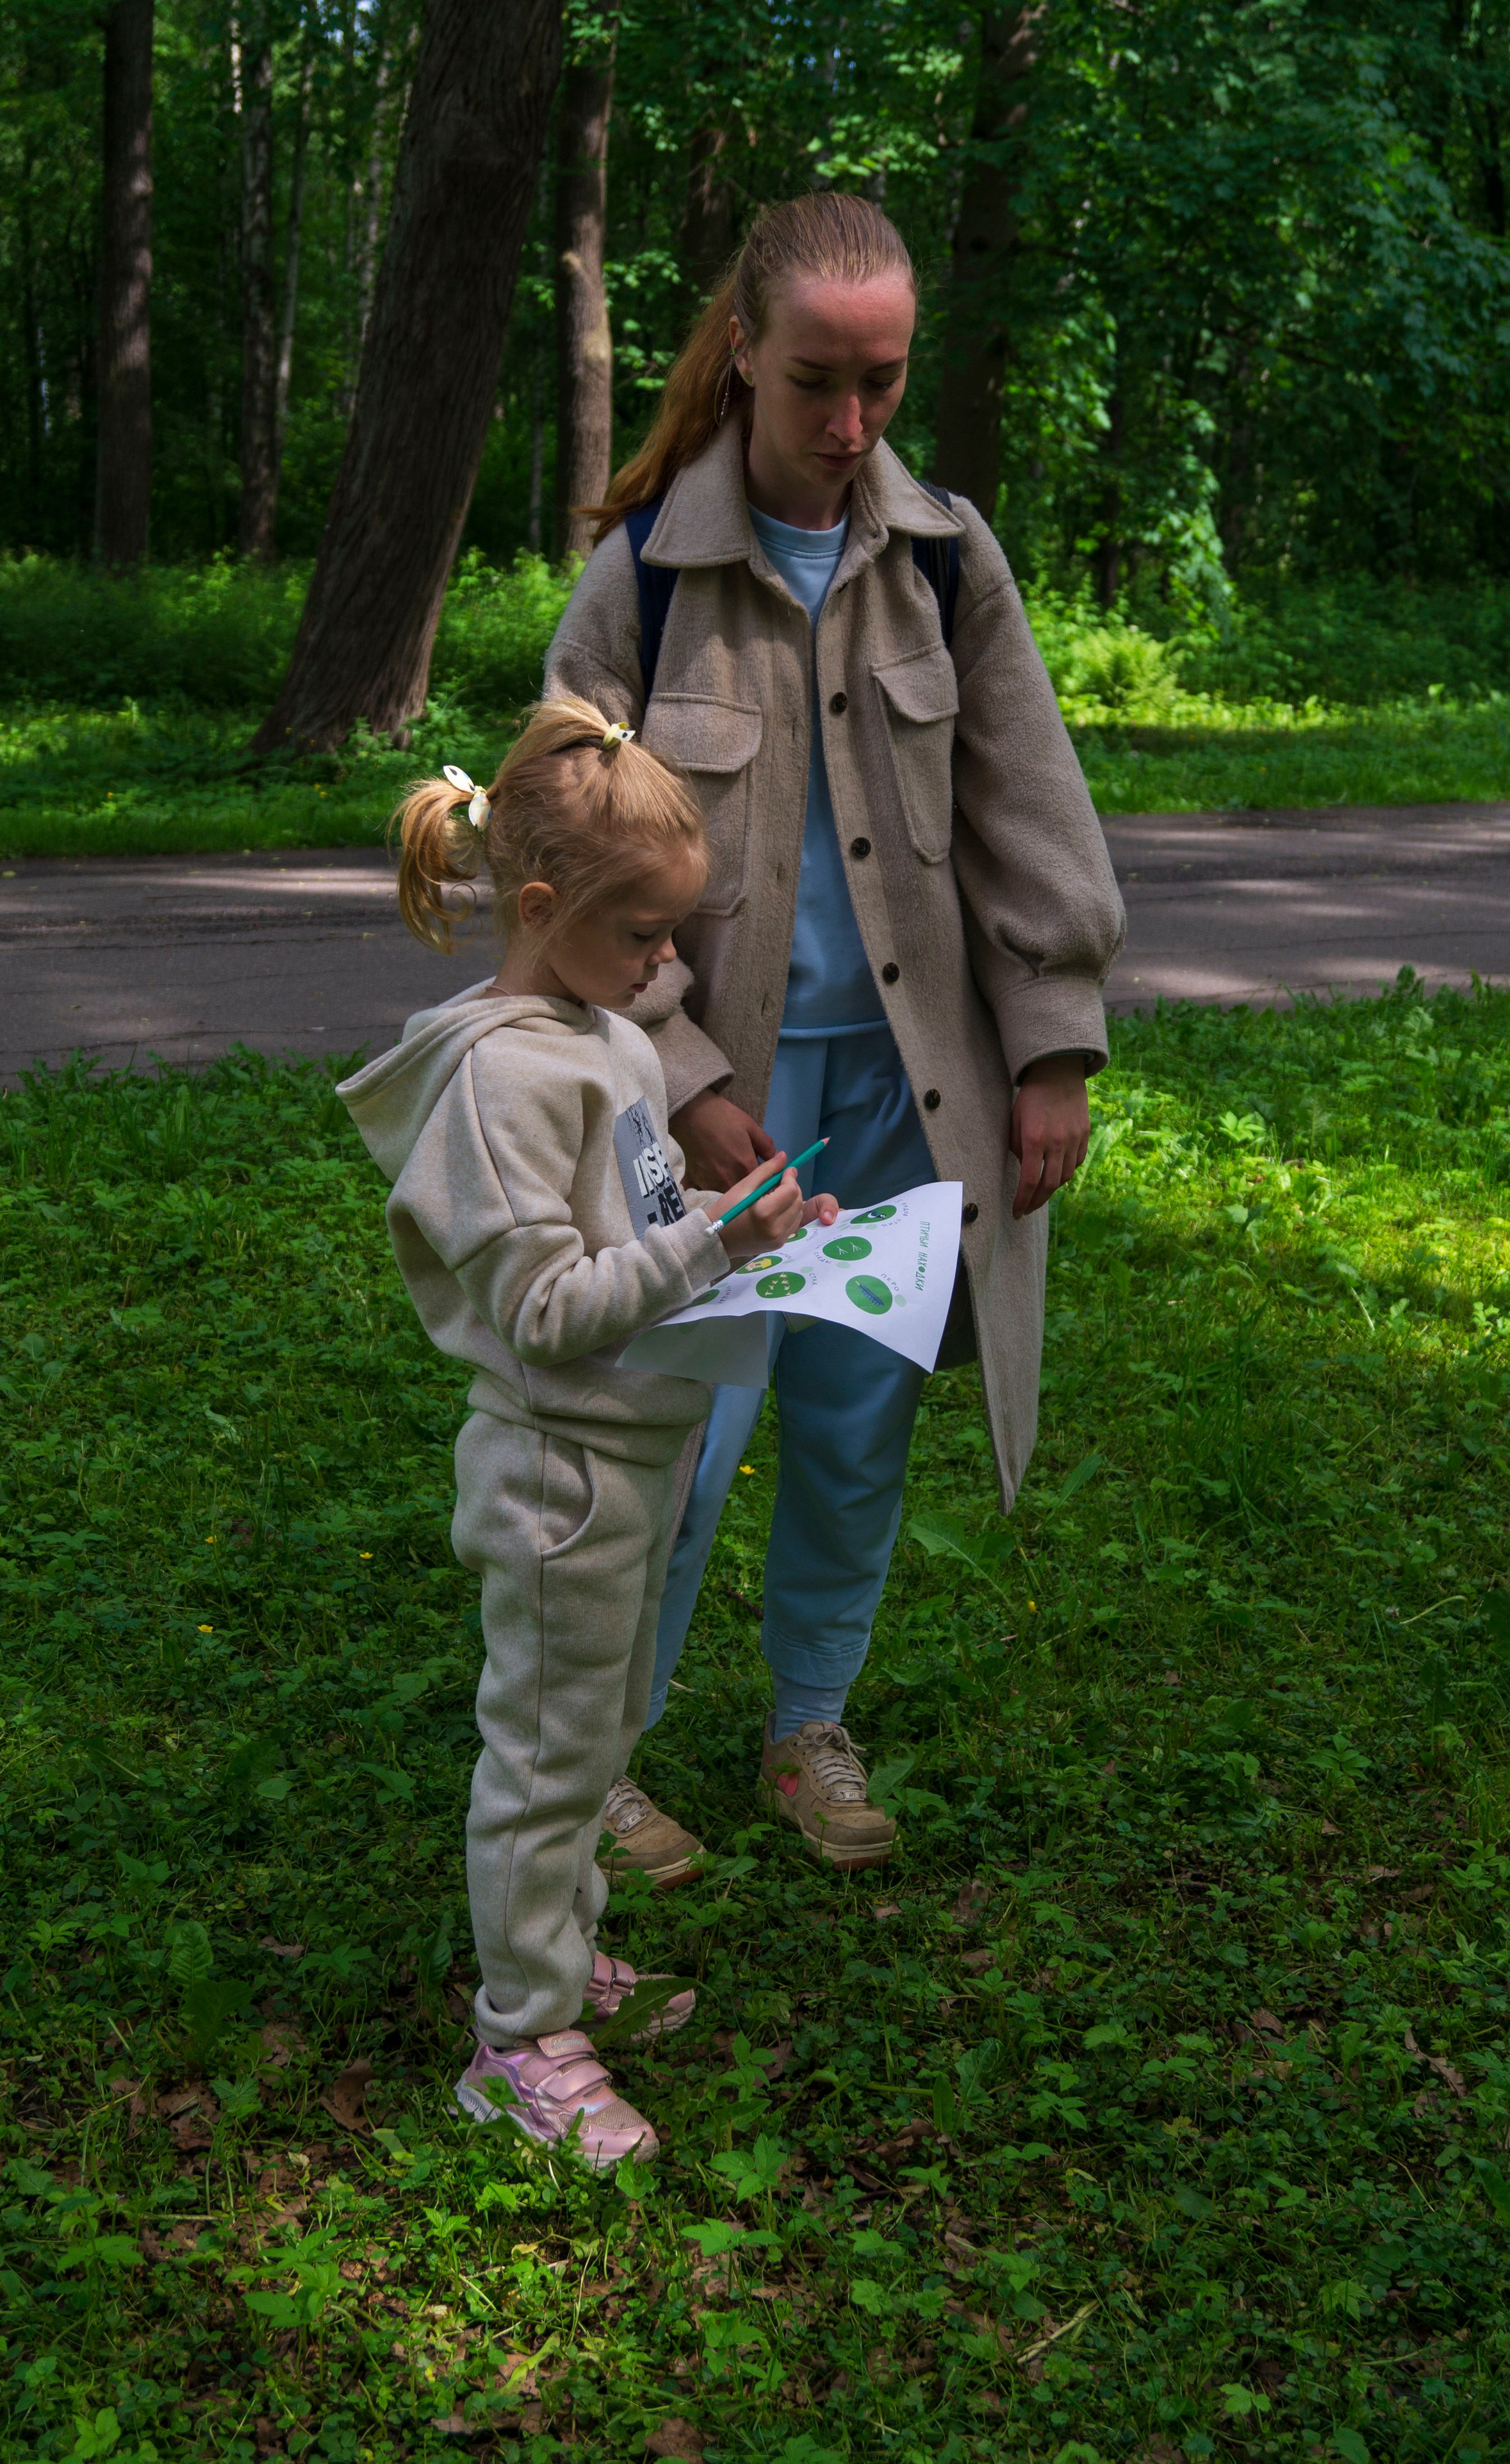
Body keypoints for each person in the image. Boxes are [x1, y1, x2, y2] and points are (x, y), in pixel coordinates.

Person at [546, 192, 1125, 1882]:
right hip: (702, 1111)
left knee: (860, 1425)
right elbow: (557, 849)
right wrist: (683, 1071)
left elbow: (1030, 811)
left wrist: (1053, 1051)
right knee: (673, 1441)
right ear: (744, 352)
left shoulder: (946, 558)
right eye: (816, 379)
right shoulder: (643, 578)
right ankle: (592, 1761)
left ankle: (809, 1720)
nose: (851, 421)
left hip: (902, 1091)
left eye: (883, 380)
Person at [337, 697, 839, 2170]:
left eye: (675, 936)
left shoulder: (607, 1035)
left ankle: (558, 1956)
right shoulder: (500, 1078)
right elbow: (550, 1308)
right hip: (557, 1473)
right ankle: (516, 2044)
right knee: (544, 1761)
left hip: (635, 1450)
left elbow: (637, 1223)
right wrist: (706, 1247)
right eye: (643, 937)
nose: (667, 967)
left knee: (603, 1732)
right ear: (542, 907)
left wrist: (746, 1229)